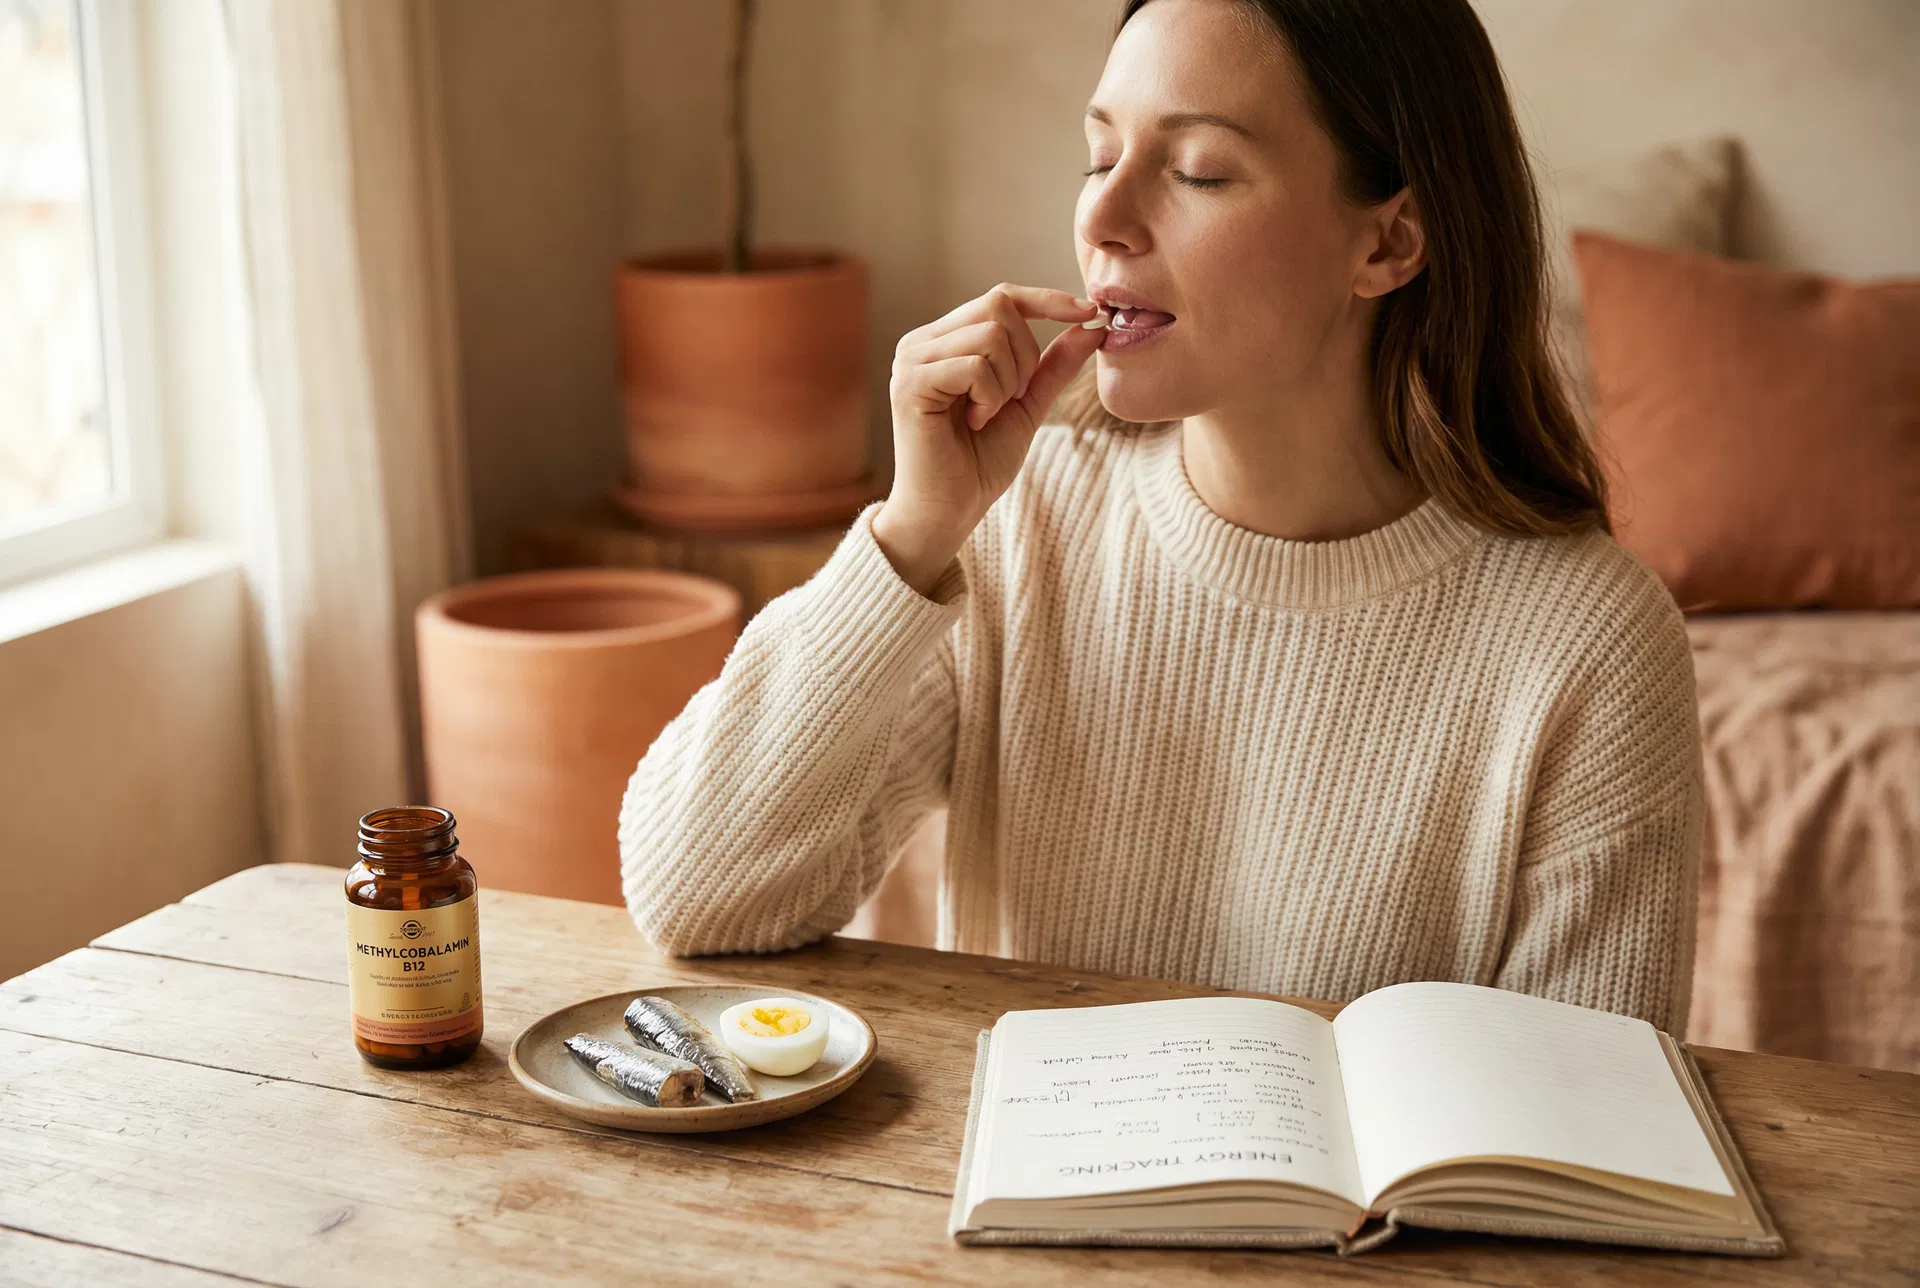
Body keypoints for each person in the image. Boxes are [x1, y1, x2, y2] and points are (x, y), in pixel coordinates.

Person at [618, 0, 1703, 1032]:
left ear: (1388, 242)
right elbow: (697, 899)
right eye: (1100, 157)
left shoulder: (1591, 642)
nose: (1100, 215)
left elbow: (1578, 1141)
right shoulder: (1014, 524)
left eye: (1198, 170)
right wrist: (910, 536)